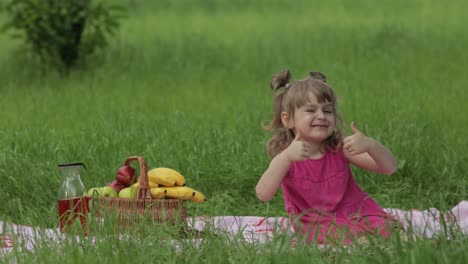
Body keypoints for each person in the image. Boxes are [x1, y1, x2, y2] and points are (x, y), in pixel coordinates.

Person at [255, 69, 399, 244]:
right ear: (288, 120)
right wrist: (285, 158)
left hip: (356, 211)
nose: (321, 116)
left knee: (389, 228)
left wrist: (371, 145)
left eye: (328, 111)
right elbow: (263, 194)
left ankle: (411, 244)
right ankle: (368, 244)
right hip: (316, 223)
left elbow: (389, 168)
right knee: (353, 236)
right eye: (310, 110)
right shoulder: (287, 158)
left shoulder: (339, 148)